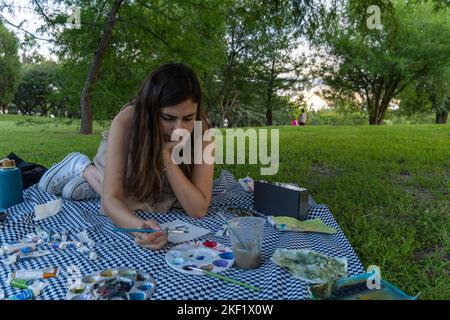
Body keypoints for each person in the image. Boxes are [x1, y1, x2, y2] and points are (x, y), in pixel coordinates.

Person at [37, 63, 214, 250]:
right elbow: (112, 200)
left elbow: (198, 209)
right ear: (151, 110)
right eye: (168, 118)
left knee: (158, 199)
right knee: (127, 199)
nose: (179, 129)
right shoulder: (127, 120)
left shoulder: (202, 131)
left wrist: (165, 155)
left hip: (160, 174)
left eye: (188, 118)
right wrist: (140, 229)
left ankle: (94, 181)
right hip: (128, 157)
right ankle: (83, 167)